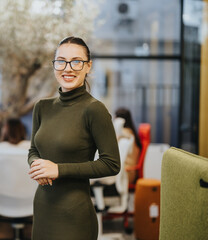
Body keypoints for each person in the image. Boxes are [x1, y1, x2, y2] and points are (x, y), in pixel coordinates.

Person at [28, 36, 120, 240]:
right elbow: (33, 150)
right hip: (42, 209)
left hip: (74, 215)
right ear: (54, 65)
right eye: (61, 61)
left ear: (88, 66)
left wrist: (58, 169)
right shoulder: (42, 107)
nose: (67, 68)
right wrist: (37, 165)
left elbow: (111, 164)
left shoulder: (94, 110)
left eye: (76, 61)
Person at [115, 107, 142, 184]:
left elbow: (111, 148)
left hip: (127, 173)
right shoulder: (131, 131)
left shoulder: (125, 134)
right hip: (126, 171)